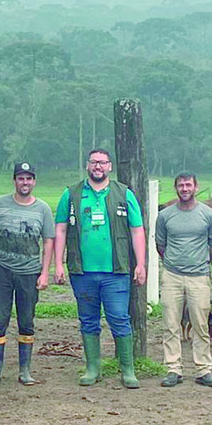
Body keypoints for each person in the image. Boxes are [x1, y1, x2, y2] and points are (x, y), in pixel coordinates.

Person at [54, 148, 147, 389]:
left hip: (116, 271)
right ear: (87, 165)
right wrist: (58, 264)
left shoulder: (124, 193)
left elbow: (137, 230)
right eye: (94, 162)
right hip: (82, 271)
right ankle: (92, 368)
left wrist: (141, 263)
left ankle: (127, 370)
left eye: (103, 163)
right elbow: (61, 229)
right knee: (88, 320)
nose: (98, 166)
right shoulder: (71, 194)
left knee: (119, 318)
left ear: (110, 167)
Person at [0, 162, 55, 390]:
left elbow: (48, 241)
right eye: (21, 178)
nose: (25, 183)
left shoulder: (42, 209)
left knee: (26, 321)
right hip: (2, 270)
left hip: (29, 272)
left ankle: (25, 371)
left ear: (34, 181)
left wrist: (45, 273)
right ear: (14, 180)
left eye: (29, 179)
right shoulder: (0, 204)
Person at [155, 172, 212, 388]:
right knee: (171, 323)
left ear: (196, 187)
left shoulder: (209, 215)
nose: (185, 189)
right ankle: (173, 368)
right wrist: (174, 263)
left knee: (200, 324)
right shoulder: (165, 216)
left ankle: (204, 370)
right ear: (175, 188)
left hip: (199, 277)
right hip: (172, 276)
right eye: (181, 185)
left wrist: (201, 263)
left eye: (188, 185)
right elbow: (160, 244)